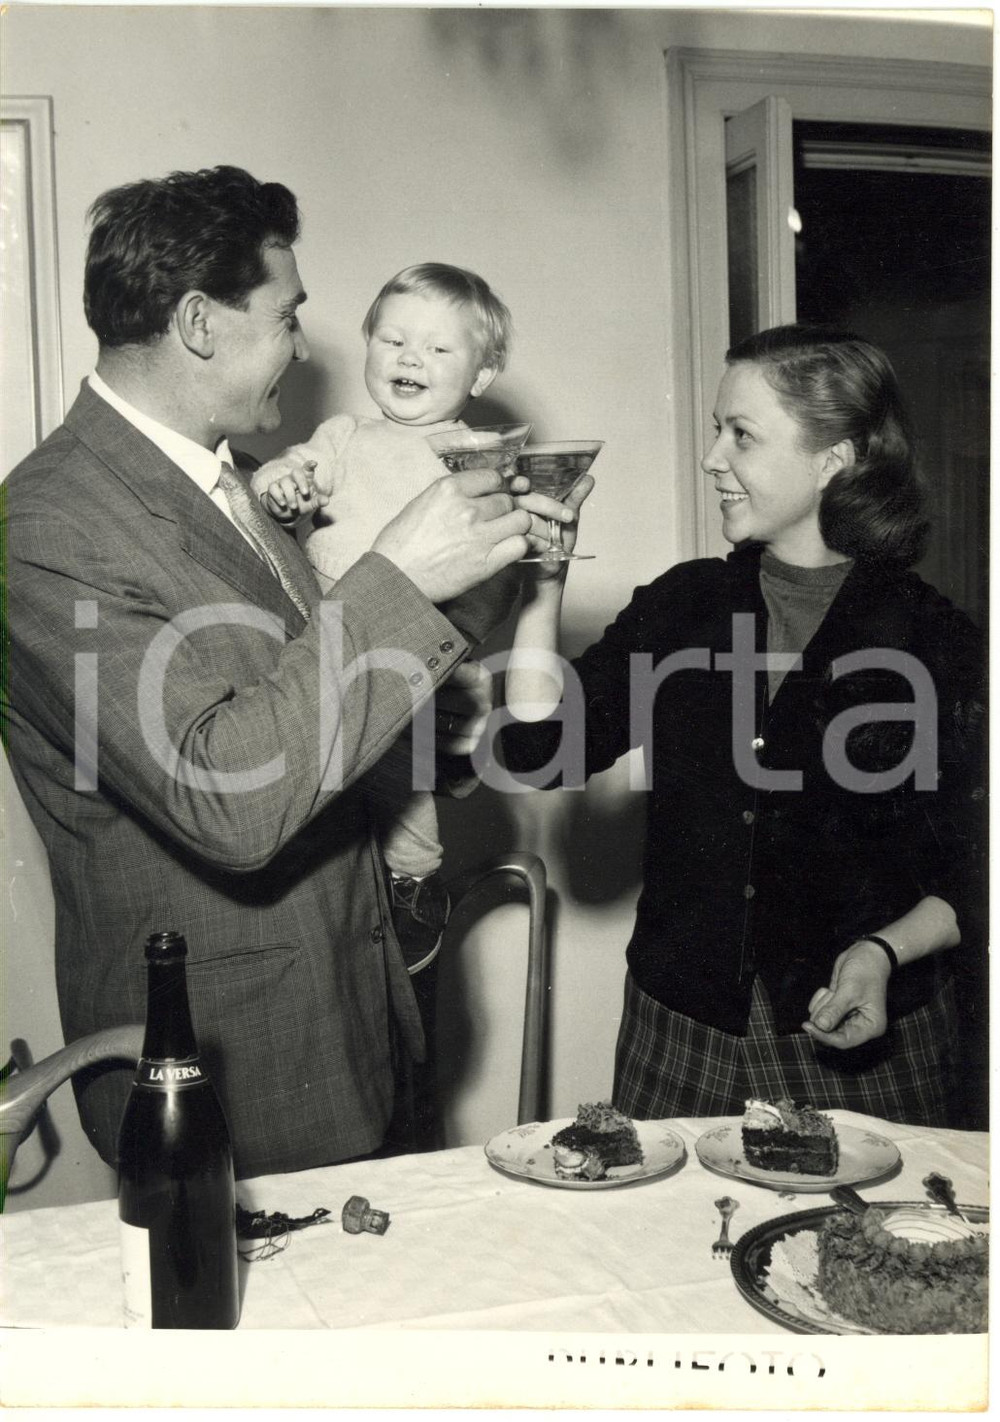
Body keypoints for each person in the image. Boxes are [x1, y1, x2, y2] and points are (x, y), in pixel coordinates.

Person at [0, 165, 555, 1179]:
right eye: (287, 314)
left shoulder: (237, 484)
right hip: (233, 1072)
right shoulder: (43, 525)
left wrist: (476, 630)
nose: (305, 346)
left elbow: (313, 703)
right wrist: (400, 576)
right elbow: (223, 793)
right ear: (203, 323)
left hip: (358, 1027)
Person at [501, 324, 986, 1127]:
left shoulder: (937, 640)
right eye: (716, 430)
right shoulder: (683, 606)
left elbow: (976, 871)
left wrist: (881, 950)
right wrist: (542, 588)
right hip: (679, 1032)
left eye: (742, 435)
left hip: (860, 1040)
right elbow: (537, 750)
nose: (712, 458)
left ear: (835, 457)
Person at [250, 263, 521, 977]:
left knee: (400, 781)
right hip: (326, 637)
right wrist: (283, 484)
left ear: (482, 375)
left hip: (418, 652)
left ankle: (412, 883)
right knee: (319, 783)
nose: (410, 359)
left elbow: (496, 577)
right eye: (393, 339)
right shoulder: (342, 435)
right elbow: (292, 473)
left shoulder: (477, 458)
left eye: (438, 350)